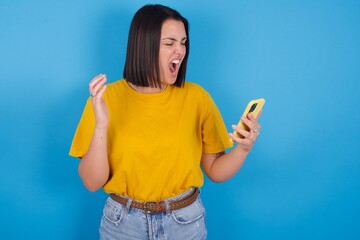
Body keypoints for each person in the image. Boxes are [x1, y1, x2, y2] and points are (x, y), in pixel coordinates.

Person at [69, 4, 262, 240]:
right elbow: (91, 182)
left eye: (183, 42)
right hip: (122, 226)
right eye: (170, 43)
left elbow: (215, 171)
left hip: (185, 225)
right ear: (144, 45)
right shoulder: (105, 99)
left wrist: (243, 148)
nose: (179, 51)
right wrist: (101, 125)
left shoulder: (197, 98)